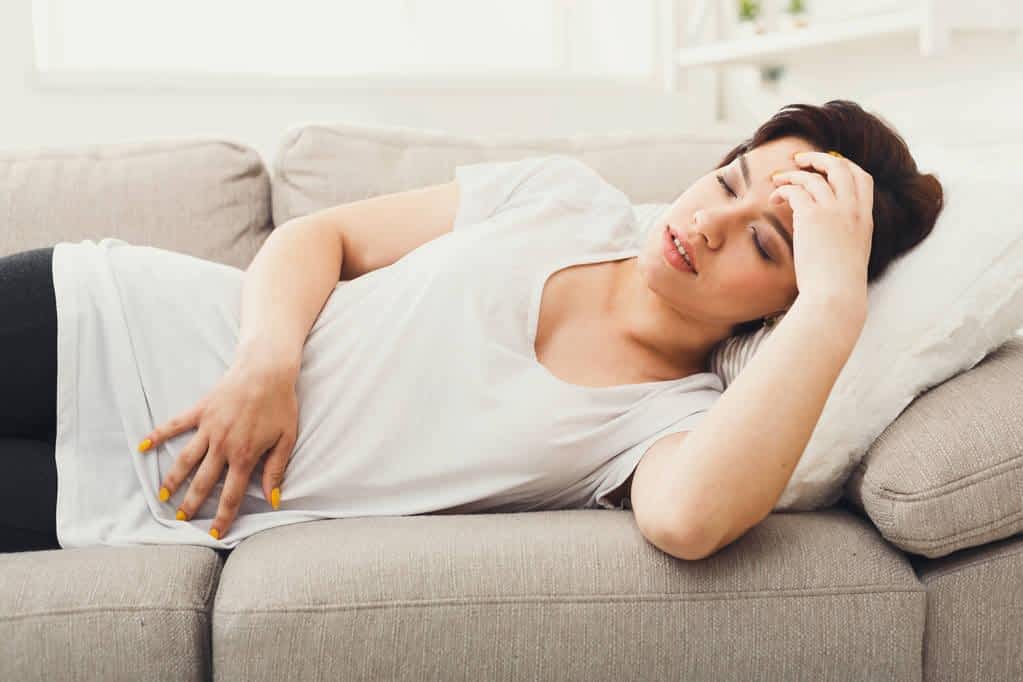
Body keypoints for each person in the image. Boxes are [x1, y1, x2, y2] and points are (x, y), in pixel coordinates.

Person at [0, 99, 943, 555]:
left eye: (766, 247)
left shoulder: (669, 426)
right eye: (730, 181)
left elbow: (689, 523)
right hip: (105, 317)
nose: (706, 222)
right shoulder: (562, 199)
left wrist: (832, 303)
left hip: (139, 499)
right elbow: (319, 233)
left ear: (786, 301)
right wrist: (265, 364)